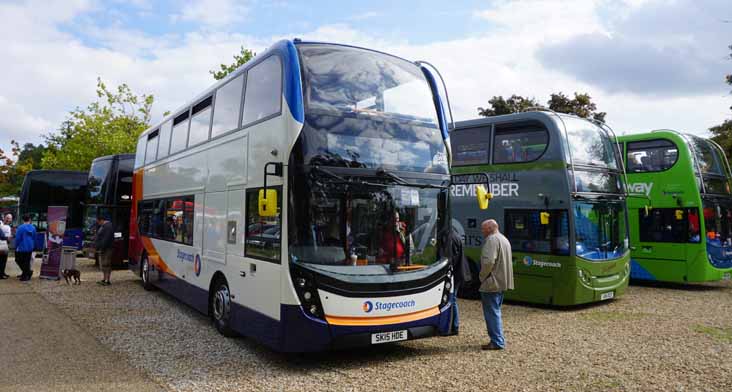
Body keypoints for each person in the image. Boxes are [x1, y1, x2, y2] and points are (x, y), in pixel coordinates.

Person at [479, 219, 514, 350]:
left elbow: (488, 261)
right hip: (502, 282)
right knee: (496, 311)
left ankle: (497, 341)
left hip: (492, 282)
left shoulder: (492, 240)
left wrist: (482, 276)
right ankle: (498, 340)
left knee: (492, 313)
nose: (482, 231)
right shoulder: (504, 239)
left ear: (490, 228)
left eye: (483, 229)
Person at [14, 215, 36, 282]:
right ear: (29, 219)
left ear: (23, 220)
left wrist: (16, 246)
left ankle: (27, 273)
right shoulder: (33, 227)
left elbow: (17, 238)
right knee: (26, 261)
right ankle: (25, 274)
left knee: (18, 260)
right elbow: (34, 237)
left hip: (22, 247)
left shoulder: (20, 227)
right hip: (30, 246)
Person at [95, 215, 114, 286]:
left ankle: (107, 280)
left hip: (107, 249)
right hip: (104, 248)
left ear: (101, 220)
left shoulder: (108, 226)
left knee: (106, 264)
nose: (98, 224)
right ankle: (104, 278)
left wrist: (101, 248)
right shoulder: (104, 226)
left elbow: (106, 239)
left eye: (98, 222)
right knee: (103, 264)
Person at [0, 214, 12, 279]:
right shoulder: (1, 224)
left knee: (4, 260)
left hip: (5, 244)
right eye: (8, 218)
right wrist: (7, 238)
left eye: (10, 218)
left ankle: (2, 272)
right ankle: (1, 274)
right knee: (2, 260)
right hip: (1, 244)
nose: (9, 220)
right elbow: (2, 236)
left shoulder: (7, 225)